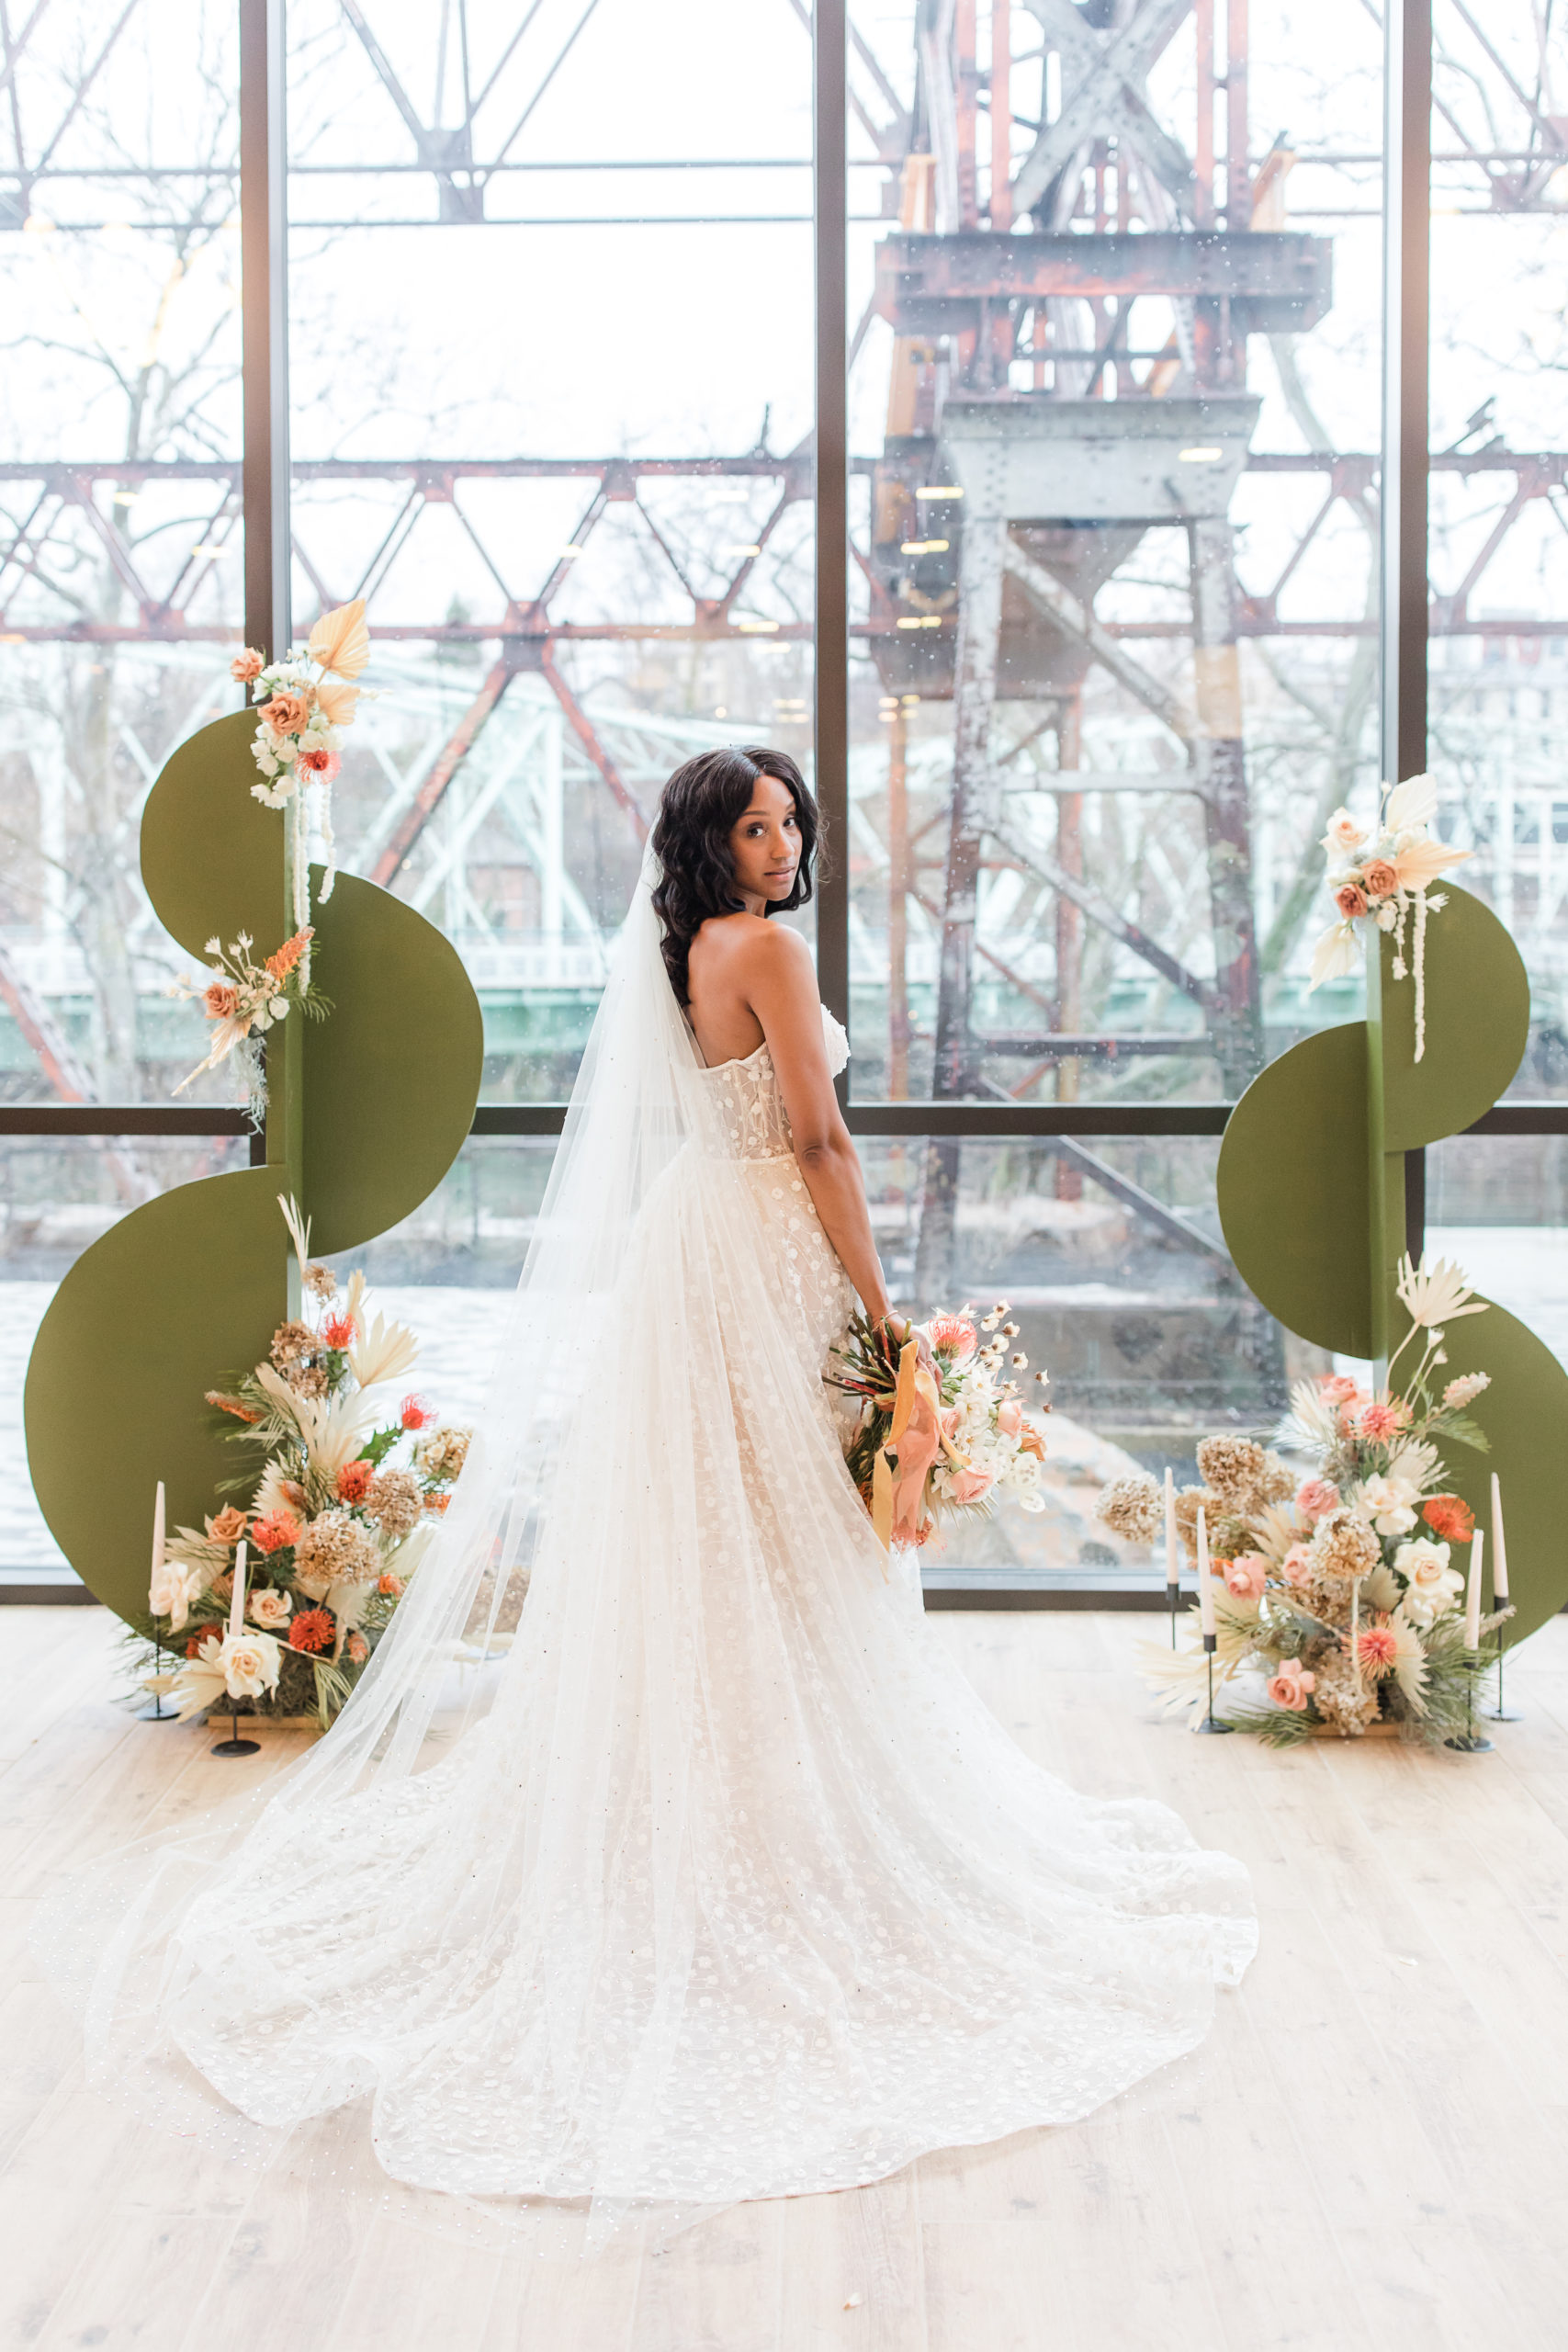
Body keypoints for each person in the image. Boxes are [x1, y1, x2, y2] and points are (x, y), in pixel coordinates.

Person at [36, 747, 1256, 2231]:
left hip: (689, 1260)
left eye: (792, 820)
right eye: (759, 824)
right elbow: (817, 1139)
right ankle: (782, 1821)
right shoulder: (775, 950)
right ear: (713, 842)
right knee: (799, 1544)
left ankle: (696, 1803)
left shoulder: (681, 953)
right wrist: (882, 1317)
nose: (785, 839)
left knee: (706, 1541)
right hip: (768, 1257)